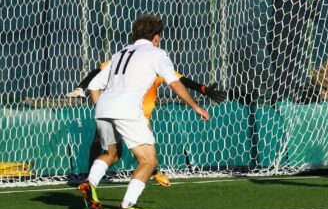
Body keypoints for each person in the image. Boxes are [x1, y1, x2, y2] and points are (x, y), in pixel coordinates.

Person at [78, 14, 211, 209]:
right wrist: (196, 106)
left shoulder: (119, 53)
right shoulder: (157, 53)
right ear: (156, 38)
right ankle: (127, 205)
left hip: (103, 108)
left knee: (111, 154)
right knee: (149, 161)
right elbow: (174, 82)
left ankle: (90, 182)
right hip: (128, 111)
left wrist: (103, 109)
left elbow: (94, 85)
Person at [67, 63, 225, 187]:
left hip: (136, 115)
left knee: (127, 151)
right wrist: (81, 86)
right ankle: (97, 184)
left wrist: (203, 89)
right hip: (125, 113)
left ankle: (92, 182)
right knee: (111, 147)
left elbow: (181, 81)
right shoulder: (127, 61)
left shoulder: (156, 67)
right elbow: (98, 71)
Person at [268, 0, 320, 103]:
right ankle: (277, 102)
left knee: (291, 74)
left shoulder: (302, 3)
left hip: (294, 42)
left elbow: (315, 15)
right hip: (278, 40)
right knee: (280, 72)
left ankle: (286, 101)